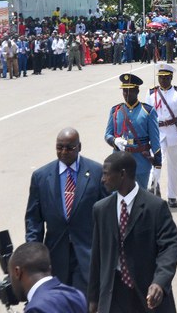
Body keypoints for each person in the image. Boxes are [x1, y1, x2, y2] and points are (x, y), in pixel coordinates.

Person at [88, 152, 177, 313]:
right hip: (113, 295)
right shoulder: (101, 209)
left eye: (106, 174)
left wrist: (160, 281)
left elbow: (169, 246)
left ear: (122, 174)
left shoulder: (155, 207)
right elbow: (97, 257)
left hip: (147, 295)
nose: (102, 179)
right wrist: (93, 299)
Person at [25, 127, 107, 296]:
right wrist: (33, 254)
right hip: (55, 256)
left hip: (87, 254)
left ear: (79, 147)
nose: (64, 152)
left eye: (69, 148)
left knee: (84, 303)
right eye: (59, 147)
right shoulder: (41, 177)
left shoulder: (97, 172)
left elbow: (107, 217)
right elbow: (34, 219)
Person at [144, 63, 177, 208]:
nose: (163, 81)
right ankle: (154, 187)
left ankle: (172, 196)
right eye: (161, 78)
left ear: (171, 78)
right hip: (157, 133)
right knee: (156, 162)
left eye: (166, 78)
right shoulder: (151, 94)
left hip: (174, 132)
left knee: (174, 166)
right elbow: (146, 117)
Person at [105, 73, 161, 188]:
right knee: (119, 195)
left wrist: (158, 163)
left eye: (130, 90)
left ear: (137, 90)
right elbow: (107, 134)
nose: (126, 93)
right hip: (119, 162)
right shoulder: (116, 110)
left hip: (140, 163)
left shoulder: (148, 111)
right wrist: (115, 141)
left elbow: (155, 140)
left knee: (141, 196)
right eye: (124, 90)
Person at [8, 242, 87, 313]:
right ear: (50, 268)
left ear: (17, 272)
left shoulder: (35, 308)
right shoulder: (76, 294)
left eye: (11, 275)